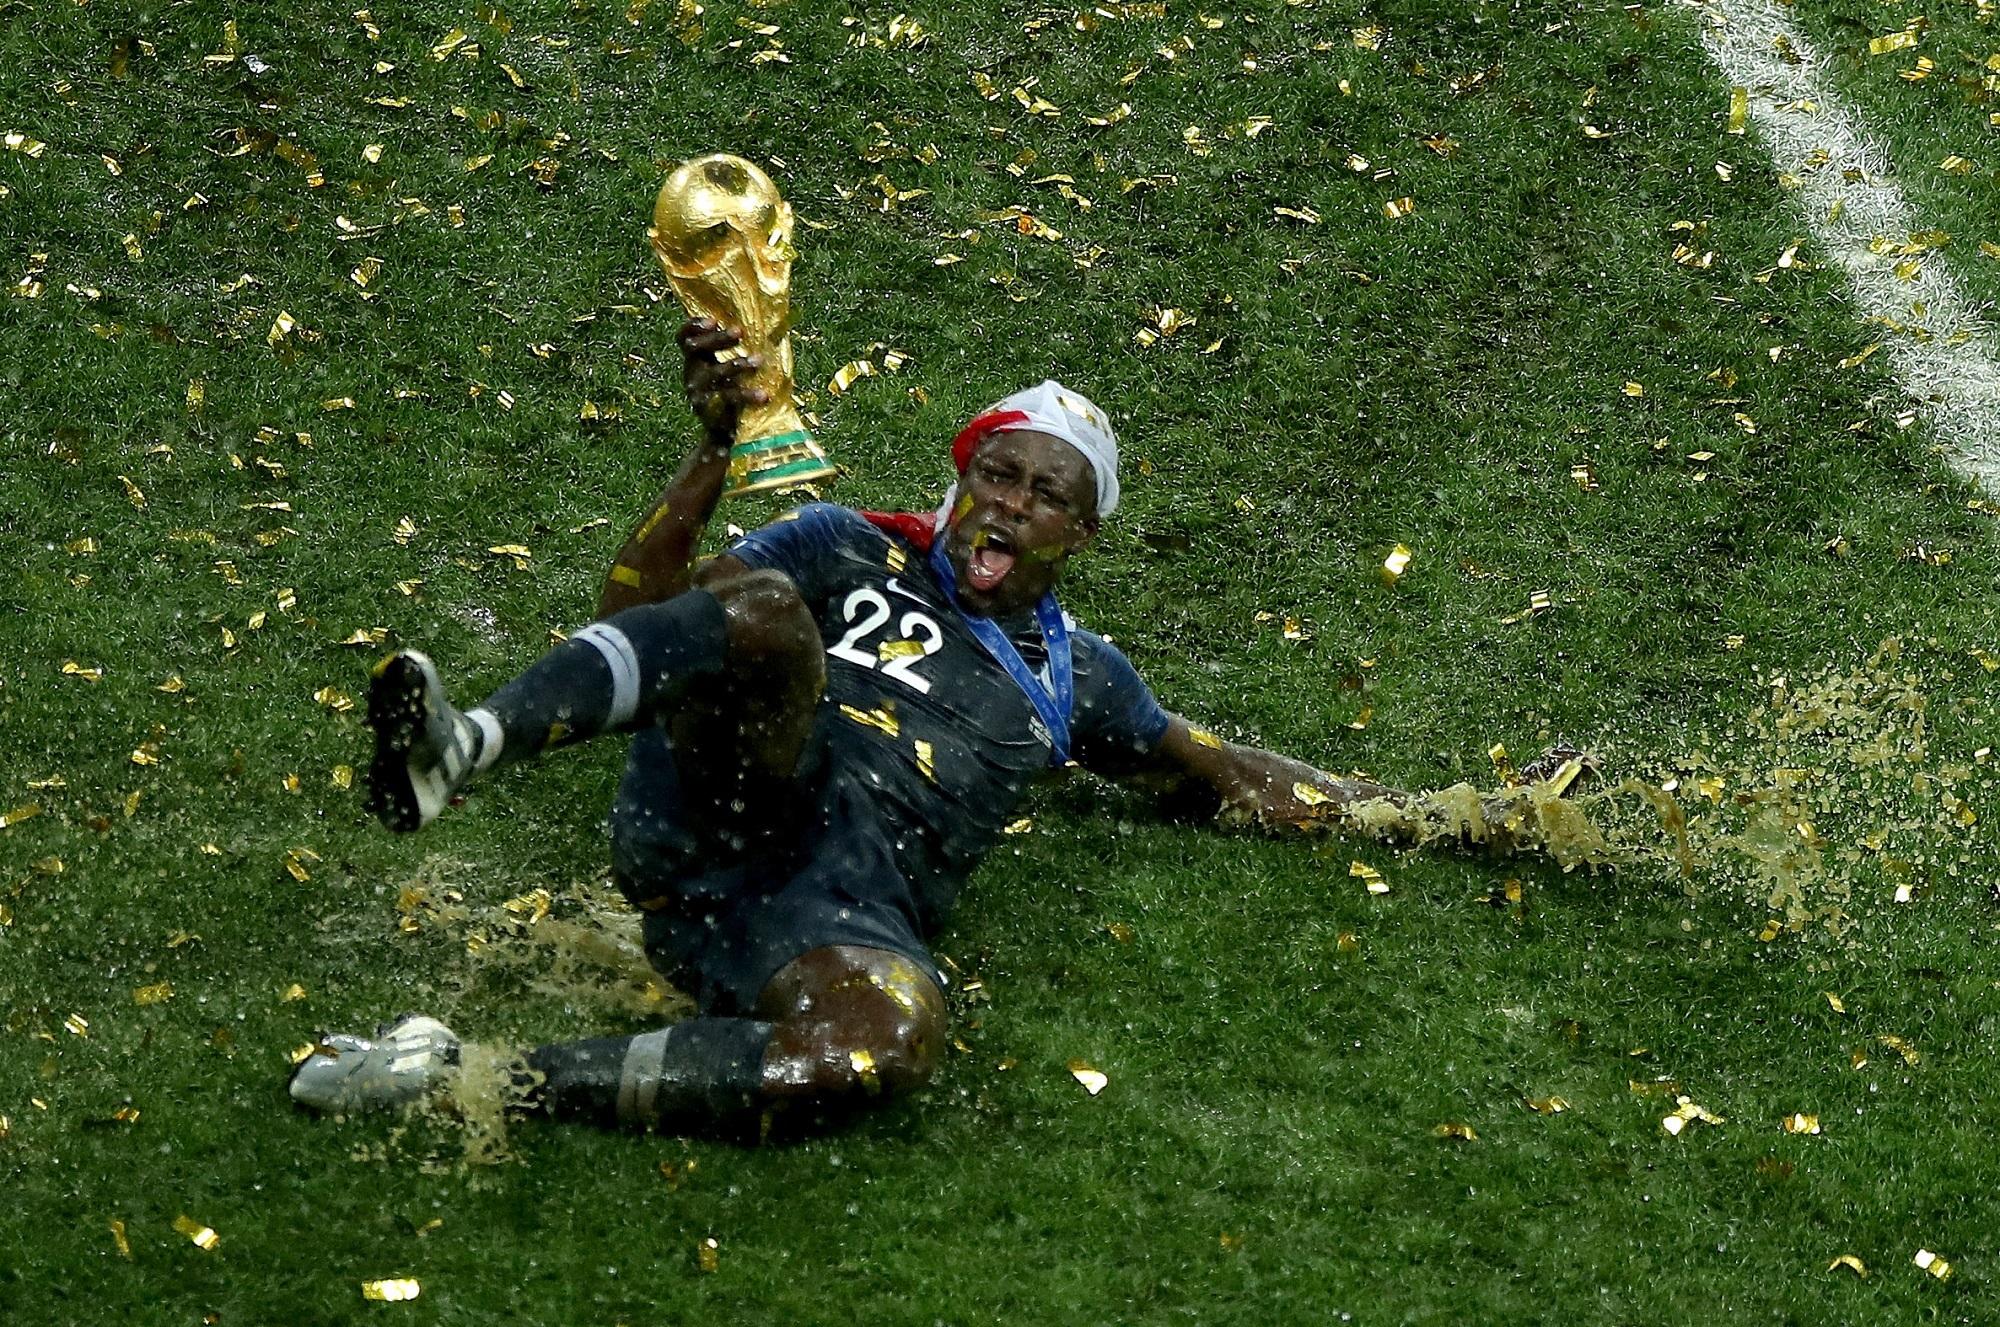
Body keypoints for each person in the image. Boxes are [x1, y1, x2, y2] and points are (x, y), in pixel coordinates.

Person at [290, 318, 1420, 1140]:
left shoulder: (1077, 679)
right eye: (996, 474)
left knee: (879, 1046)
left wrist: (1431, 815)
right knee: (771, 617)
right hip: (725, 801)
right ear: (961, 480)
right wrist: (709, 454)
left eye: (1044, 495)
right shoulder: (843, 546)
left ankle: (462, 1075)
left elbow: (1214, 769)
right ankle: (463, 746)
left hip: (834, 915)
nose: (1010, 503)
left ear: (1078, 534)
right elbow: (639, 620)